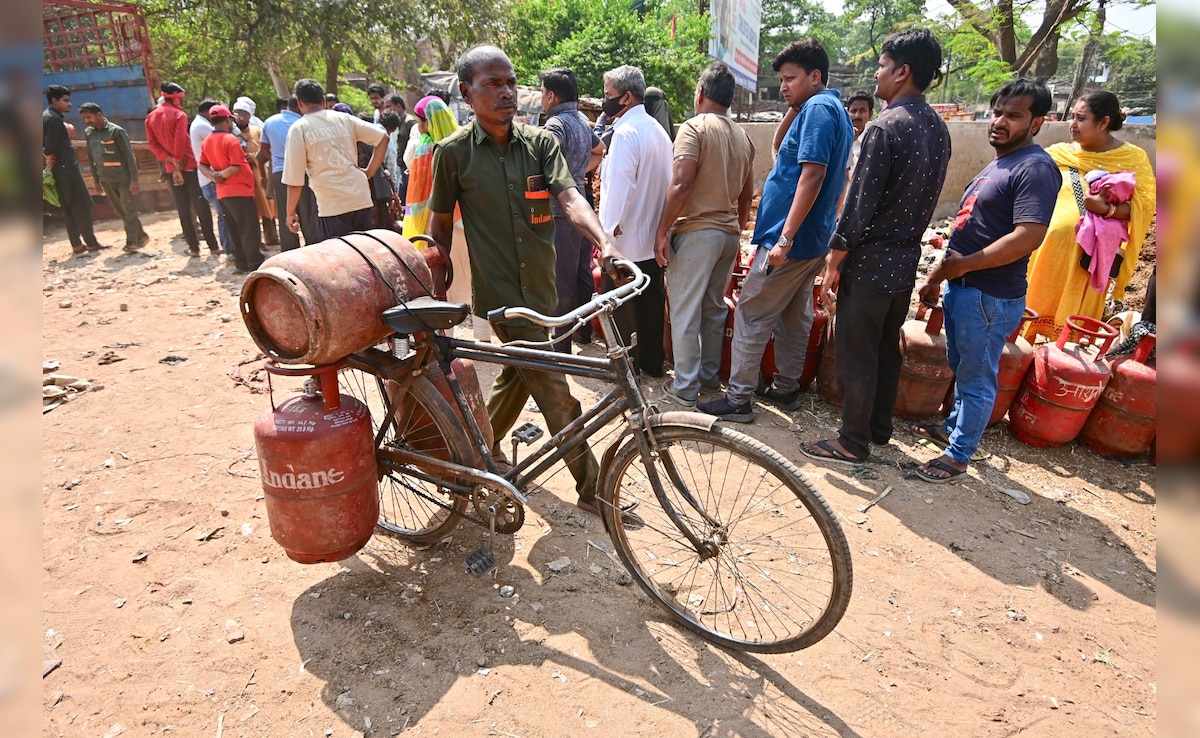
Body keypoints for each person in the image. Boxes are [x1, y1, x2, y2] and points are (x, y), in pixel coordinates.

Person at [427, 45, 619, 516]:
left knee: (517, 374)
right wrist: (437, 282)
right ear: (467, 93)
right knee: (555, 392)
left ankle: (470, 460)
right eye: (492, 84)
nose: (506, 92)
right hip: (501, 298)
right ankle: (592, 487)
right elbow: (437, 224)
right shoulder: (452, 154)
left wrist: (604, 242)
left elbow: (571, 198)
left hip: (542, 292)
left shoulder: (540, 143)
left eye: (510, 82)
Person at [800, 28, 952, 466]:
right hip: (904, 260)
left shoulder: (886, 127)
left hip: (870, 262)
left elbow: (859, 205)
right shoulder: (937, 127)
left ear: (903, 72)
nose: (877, 74)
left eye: (882, 67)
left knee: (856, 351)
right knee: (886, 347)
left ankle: (851, 441)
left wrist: (835, 260)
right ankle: (878, 427)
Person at [913, 78, 1060, 482]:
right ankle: (953, 428)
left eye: (1013, 115)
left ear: (1037, 123)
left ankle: (959, 455)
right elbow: (969, 228)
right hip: (967, 288)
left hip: (990, 295)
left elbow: (1028, 236)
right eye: (997, 112)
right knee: (964, 367)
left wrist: (964, 266)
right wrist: (940, 275)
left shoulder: (1035, 167)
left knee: (978, 377)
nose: (999, 121)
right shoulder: (999, 163)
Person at [697, 40, 852, 422]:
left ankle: (738, 398)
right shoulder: (829, 109)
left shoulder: (817, 109)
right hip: (813, 239)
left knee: (751, 310)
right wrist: (792, 105)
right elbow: (782, 149)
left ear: (815, 76)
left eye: (791, 79)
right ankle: (785, 388)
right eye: (781, 79)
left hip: (791, 239)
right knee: (795, 313)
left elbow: (812, 175)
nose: (784, 86)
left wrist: (784, 237)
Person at [654, 61, 755, 408]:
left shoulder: (693, 128)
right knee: (713, 309)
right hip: (727, 234)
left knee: (684, 310)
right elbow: (746, 195)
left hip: (697, 232)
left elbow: (681, 183)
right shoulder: (742, 136)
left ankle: (684, 387)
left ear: (700, 95)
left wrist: (662, 231)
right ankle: (709, 378)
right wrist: (736, 228)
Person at [1022, 90, 1156, 340]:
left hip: (1091, 260)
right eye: (1073, 117)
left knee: (1070, 337)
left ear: (1103, 122)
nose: (1072, 124)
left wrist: (1107, 209)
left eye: (1081, 118)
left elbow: (1143, 207)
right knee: (1027, 319)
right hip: (1045, 255)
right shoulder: (1058, 154)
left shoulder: (1132, 159)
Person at [598, 65, 673, 377]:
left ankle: (625, 371)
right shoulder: (659, 132)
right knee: (650, 307)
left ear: (626, 97)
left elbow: (617, 189)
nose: (605, 102)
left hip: (625, 242)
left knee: (618, 309)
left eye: (608, 96)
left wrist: (606, 240)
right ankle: (652, 365)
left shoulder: (626, 134)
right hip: (652, 239)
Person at [539, 67, 605, 352]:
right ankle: (583, 332)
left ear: (552, 95)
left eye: (542, 92)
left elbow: (541, 164)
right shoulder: (580, 120)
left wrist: (561, 177)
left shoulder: (555, 125)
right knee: (581, 273)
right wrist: (578, 175)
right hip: (583, 206)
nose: (541, 98)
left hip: (561, 210)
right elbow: (599, 149)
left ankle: (561, 347)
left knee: (561, 280)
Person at [283, 78, 388, 240]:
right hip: (360, 197)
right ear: (323, 101)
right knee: (365, 253)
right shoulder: (344, 119)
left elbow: (295, 180)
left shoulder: (299, 129)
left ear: (299, 102)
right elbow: (383, 138)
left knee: (342, 259)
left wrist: (290, 213)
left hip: (332, 204)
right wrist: (369, 172)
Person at [146, 82, 219, 256]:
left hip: (171, 169)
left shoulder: (150, 117)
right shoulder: (179, 115)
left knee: (183, 208)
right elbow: (179, 140)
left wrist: (171, 161)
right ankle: (213, 246)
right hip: (189, 165)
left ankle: (193, 248)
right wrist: (179, 161)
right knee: (200, 204)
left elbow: (153, 145)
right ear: (175, 98)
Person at [198, 104, 265, 273]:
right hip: (239, 190)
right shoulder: (231, 140)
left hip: (223, 193)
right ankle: (254, 263)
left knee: (233, 228)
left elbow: (202, 165)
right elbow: (235, 167)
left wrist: (214, 176)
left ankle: (240, 263)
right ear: (228, 120)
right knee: (248, 228)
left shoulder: (207, 141)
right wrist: (221, 175)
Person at [44, 85, 107, 255]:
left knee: (69, 208)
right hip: (67, 170)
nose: (69, 104)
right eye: (65, 100)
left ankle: (77, 245)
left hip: (61, 170)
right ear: (54, 100)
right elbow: (49, 146)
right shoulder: (55, 119)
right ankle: (91, 243)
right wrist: (50, 157)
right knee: (82, 206)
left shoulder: (47, 116)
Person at [79, 102, 148, 253]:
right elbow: (92, 158)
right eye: (84, 118)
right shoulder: (89, 133)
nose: (86, 121)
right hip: (106, 179)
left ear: (99, 114)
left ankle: (131, 242)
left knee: (128, 209)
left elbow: (130, 157)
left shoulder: (117, 131)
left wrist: (134, 180)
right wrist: (96, 181)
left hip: (123, 178)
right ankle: (141, 235)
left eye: (89, 117)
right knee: (122, 211)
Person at [258, 96, 320, 250]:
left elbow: (264, 147)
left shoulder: (270, 121)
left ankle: (290, 249)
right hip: (302, 171)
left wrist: (276, 159)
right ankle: (313, 247)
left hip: (280, 171)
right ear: (300, 106)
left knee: (286, 211)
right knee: (307, 211)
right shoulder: (303, 123)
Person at [402, 96, 459, 238]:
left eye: (418, 122)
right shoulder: (460, 142)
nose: (418, 127)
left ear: (427, 123)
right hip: (458, 215)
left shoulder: (420, 146)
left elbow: (407, 162)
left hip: (427, 215)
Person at [232, 97, 280, 246]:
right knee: (249, 210)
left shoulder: (257, 130)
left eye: (244, 114)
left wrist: (252, 156)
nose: (240, 117)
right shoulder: (231, 134)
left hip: (259, 174)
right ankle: (254, 242)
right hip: (241, 176)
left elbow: (266, 149)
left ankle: (271, 237)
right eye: (237, 114)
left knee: (267, 206)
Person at [189, 99, 232, 256]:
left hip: (208, 177)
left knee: (224, 214)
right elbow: (222, 138)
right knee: (224, 215)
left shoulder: (198, 124)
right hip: (211, 178)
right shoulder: (202, 126)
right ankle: (229, 249)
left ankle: (229, 247)